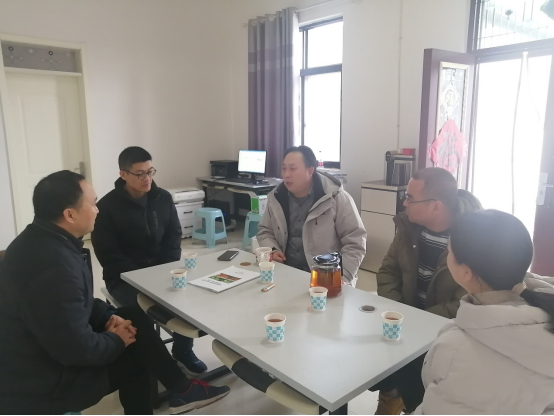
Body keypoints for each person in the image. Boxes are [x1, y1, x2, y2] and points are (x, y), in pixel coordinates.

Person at [0, 171, 229, 415]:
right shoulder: (54, 268)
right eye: (92, 204)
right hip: (42, 382)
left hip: (45, 351)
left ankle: (183, 391)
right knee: (137, 354)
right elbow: (76, 350)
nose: (97, 210)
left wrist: (109, 315)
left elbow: (75, 303)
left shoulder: (41, 240)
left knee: (132, 317)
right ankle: (182, 391)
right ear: (70, 214)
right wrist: (117, 340)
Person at [415, 210, 554, 415]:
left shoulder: (456, 351)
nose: (447, 255)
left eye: (449, 251)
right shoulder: (544, 302)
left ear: (466, 272)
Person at [373, 167, 482, 415]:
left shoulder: (472, 239)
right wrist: (399, 314)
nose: (404, 203)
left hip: (447, 331)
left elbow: (467, 301)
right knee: (375, 347)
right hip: (407, 321)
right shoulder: (409, 227)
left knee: (418, 376)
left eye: (410, 198)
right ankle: (391, 395)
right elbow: (388, 271)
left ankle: (412, 403)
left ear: (435, 206)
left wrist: (417, 324)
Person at [91, 147, 206, 376]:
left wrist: (165, 268)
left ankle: (182, 351)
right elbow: (108, 254)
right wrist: (142, 278)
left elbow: (174, 236)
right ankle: (159, 365)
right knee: (142, 312)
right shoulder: (106, 207)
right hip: (124, 279)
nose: (147, 178)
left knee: (186, 299)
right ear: (123, 174)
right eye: (140, 174)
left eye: (150, 171)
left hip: (162, 271)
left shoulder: (162, 198)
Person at [257, 145, 367, 284]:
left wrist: (343, 275)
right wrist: (273, 250)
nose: (286, 174)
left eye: (292, 169)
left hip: (327, 275)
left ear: (310, 171)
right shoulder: (276, 197)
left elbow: (355, 240)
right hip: (286, 271)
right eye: (284, 168)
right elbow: (265, 231)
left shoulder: (336, 198)